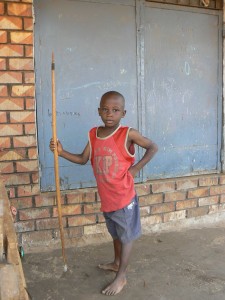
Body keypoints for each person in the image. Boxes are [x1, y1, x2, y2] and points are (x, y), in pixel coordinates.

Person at [50, 91, 158, 296]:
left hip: (124, 197)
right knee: (116, 234)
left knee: (126, 237)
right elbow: (83, 159)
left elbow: (153, 147)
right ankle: (117, 263)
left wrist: (135, 169)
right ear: (99, 111)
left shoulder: (128, 134)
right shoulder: (93, 134)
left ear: (123, 113)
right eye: (105, 110)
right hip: (107, 199)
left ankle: (122, 276)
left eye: (115, 110)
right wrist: (61, 152)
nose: (110, 114)